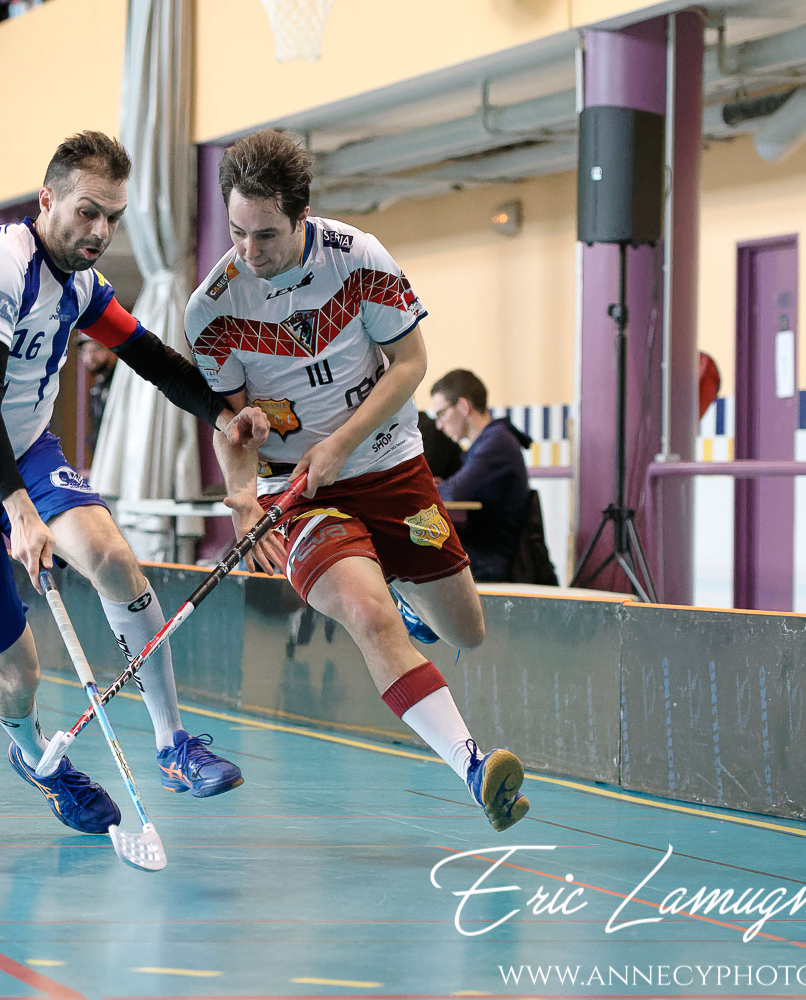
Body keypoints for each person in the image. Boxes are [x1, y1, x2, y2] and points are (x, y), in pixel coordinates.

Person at [0, 131, 269, 837]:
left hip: (23, 445)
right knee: (18, 675)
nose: (100, 232)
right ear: (47, 200)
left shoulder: (80, 283)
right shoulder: (0, 265)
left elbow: (150, 356)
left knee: (113, 557)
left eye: (113, 218)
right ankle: (37, 758)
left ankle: (173, 744)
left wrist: (224, 414)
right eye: (87, 212)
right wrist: (18, 511)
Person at [189, 129, 529, 833]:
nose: (249, 251)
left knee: (466, 631)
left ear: (302, 217)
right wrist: (244, 495)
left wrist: (341, 443)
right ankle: (473, 766)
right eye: (237, 232)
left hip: (390, 462)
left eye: (266, 235)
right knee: (368, 616)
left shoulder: (359, 258)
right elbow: (232, 426)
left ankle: (404, 593)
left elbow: (411, 361)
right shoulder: (212, 309)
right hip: (300, 493)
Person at [429, 369, 532, 583]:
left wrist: (430, 488)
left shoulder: (495, 443)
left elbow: (453, 493)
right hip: (486, 552)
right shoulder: (489, 441)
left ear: (463, 406)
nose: (439, 425)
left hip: (491, 559)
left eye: (441, 414)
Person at [76, 330, 117, 466]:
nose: (90, 357)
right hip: (102, 457)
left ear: (112, 351)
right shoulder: (96, 387)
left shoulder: (119, 385)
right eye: (85, 351)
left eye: (96, 350)